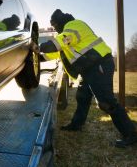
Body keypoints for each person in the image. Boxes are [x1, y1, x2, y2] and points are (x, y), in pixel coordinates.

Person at [32, 9, 137, 148]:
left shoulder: (74, 26)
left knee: (106, 102)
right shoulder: (66, 36)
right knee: (82, 97)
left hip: (99, 64)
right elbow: (53, 54)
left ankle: (131, 134)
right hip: (89, 69)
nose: (55, 28)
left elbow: (61, 41)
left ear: (61, 22)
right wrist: (34, 57)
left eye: (55, 24)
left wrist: (38, 47)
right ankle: (77, 124)